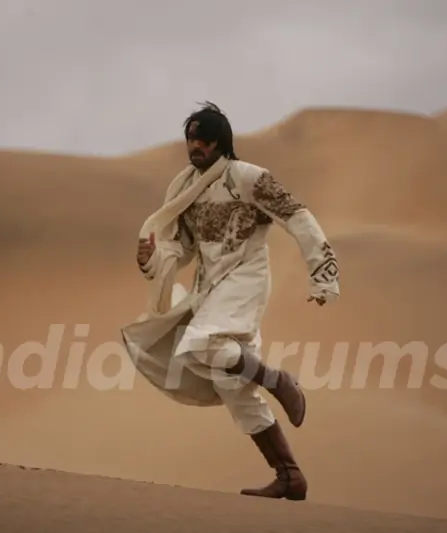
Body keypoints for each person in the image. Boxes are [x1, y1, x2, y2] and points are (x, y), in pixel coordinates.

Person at [121, 102, 339, 501]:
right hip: (209, 287)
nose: (195, 145)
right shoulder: (186, 190)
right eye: (190, 138)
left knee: (200, 344)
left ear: (220, 141)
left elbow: (298, 217)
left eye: (203, 138)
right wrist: (152, 259)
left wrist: (323, 274)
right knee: (232, 385)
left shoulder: (249, 178)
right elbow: (183, 249)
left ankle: (279, 380)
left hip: (246, 280)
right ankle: (290, 475)